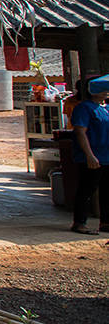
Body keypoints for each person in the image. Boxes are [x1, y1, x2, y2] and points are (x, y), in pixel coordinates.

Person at [70, 75, 109, 235]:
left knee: (107, 190)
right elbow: (80, 132)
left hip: (106, 156)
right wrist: (89, 155)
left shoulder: (105, 108)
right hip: (92, 156)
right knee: (87, 190)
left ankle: (106, 222)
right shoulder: (84, 108)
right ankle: (79, 222)